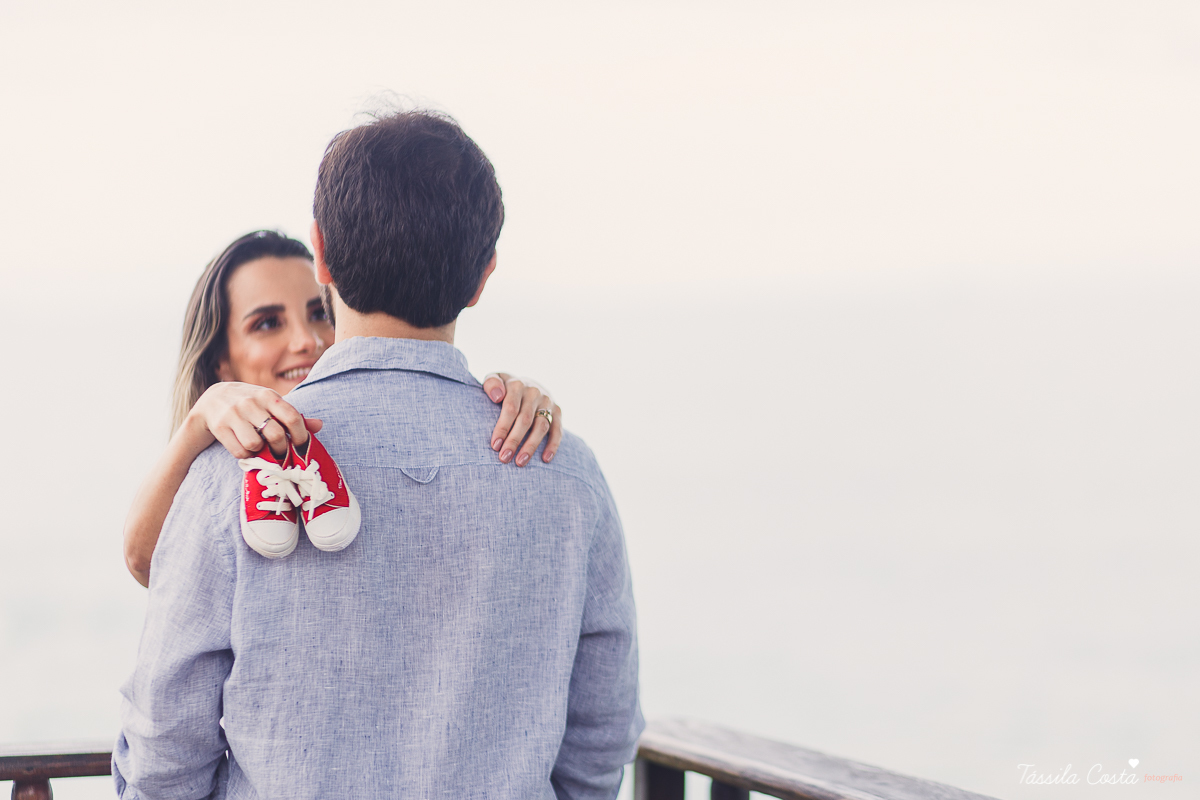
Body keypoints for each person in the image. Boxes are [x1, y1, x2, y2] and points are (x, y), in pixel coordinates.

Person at [113, 109, 643, 799]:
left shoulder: (227, 476)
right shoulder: (566, 472)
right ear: (483, 276)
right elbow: (602, 736)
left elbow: (164, 747)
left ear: (323, 256)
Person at [122, 229, 563, 587]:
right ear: (221, 358)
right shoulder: (209, 474)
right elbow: (146, 562)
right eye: (268, 323)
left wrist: (514, 402)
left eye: (319, 314)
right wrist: (199, 420)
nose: (307, 340)